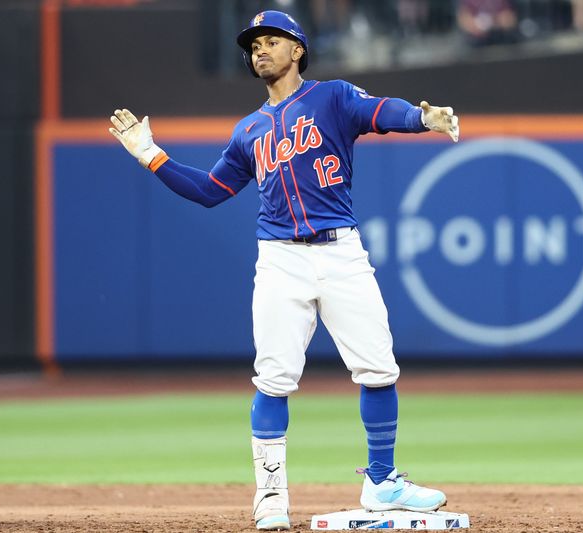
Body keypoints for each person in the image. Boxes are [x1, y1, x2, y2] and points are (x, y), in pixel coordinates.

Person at [108, 10, 459, 531]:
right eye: (254, 46)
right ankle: (271, 495)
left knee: (379, 369)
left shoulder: (331, 97)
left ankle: (382, 483)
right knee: (273, 378)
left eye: (271, 42)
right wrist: (150, 155)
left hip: (341, 252)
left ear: (298, 50)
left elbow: (382, 112)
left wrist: (422, 119)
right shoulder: (248, 130)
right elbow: (209, 191)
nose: (260, 51)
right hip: (280, 259)